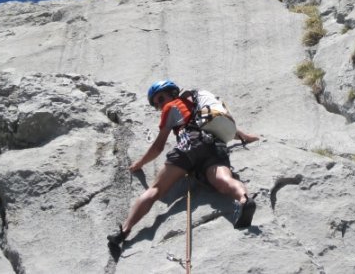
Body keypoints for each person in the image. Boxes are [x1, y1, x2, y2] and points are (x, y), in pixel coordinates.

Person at [107, 80, 259, 253]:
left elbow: (158, 146)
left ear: (172, 93)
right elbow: (233, 132)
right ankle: (244, 200)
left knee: (156, 189)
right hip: (214, 146)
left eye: (161, 98)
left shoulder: (171, 107)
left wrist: (139, 163)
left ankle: (124, 231)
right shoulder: (201, 111)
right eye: (156, 104)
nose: (160, 104)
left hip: (189, 145)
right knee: (224, 180)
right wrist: (249, 137)